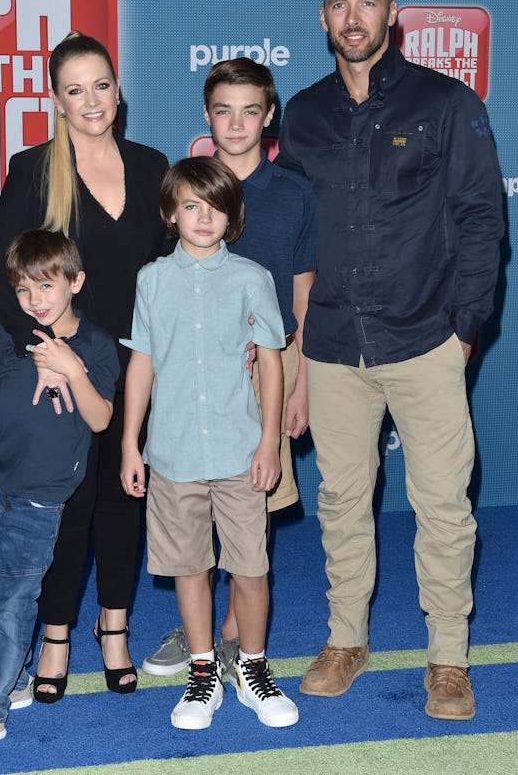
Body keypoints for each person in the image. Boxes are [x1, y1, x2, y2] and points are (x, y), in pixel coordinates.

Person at [276, 0, 504, 720]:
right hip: (334, 343)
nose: (352, 17)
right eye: (339, 4)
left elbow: (481, 220)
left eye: (366, 3)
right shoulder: (300, 115)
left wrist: (463, 331)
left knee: (443, 504)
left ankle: (448, 657)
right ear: (322, 18)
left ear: (392, 13)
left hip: (425, 338)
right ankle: (347, 639)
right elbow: (292, 234)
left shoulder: (447, 103)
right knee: (341, 501)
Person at [0, 32, 169, 701]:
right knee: (66, 508)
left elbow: (174, 271)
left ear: (119, 89)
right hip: (61, 371)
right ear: (54, 99)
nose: (93, 100)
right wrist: (46, 353)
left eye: (102, 85)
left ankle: (113, 630)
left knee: (125, 499)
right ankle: (55, 635)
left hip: (137, 371)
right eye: (75, 89)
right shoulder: (33, 168)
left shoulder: (153, 167)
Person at [142, 58, 315, 678]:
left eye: (250, 110)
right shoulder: (187, 188)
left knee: (253, 511)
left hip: (268, 367)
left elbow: (302, 296)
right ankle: (205, 642)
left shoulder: (293, 192)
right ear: (207, 116)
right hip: (193, 374)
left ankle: (229, 638)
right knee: (191, 508)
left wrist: (303, 384)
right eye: (223, 110)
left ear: (269, 117)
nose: (236, 123)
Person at [0, 230, 119, 756]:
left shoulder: (96, 345)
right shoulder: (13, 336)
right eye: (24, 290)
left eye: (46, 286)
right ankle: (14, 678)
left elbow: (100, 419)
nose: (35, 300)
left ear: (75, 283)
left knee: (12, 603)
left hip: (40, 499)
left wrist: (71, 369)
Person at [120, 157, 299, 730]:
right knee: (189, 567)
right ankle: (202, 674)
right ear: (171, 213)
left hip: (239, 452)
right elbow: (142, 363)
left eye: (216, 206)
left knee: (250, 568)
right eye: (191, 205)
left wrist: (269, 441)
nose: (203, 217)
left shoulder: (252, 278)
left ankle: (251, 667)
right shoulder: (152, 279)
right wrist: (130, 442)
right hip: (171, 455)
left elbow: (270, 363)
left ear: (233, 216)